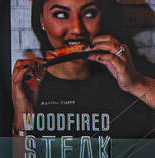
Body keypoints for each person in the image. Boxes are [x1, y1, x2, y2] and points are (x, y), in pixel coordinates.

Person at [12, 0, 155, 141]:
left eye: (89, 14)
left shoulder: (138, 75)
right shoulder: (24, 87)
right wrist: (23, 120)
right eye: (61, 15)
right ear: (42, 20)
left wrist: (136, 83)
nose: (77, 29)